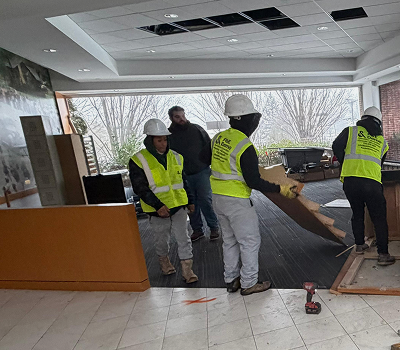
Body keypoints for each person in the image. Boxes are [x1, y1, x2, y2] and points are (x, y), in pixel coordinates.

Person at [200, 94, 300, 296]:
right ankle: (249, 283)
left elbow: (205, 160)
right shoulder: (244, 145)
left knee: (229, 240)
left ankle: (231, 279)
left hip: (218, 198)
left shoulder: (218, 138)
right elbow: (253, 180)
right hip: (237, 200)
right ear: (246, 119)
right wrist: (280, 189)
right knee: (249, 241)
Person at [128, 118, 198, 283]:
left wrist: (190, 200)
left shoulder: (177, 157)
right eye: (159, 140)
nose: (163, 143)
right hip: (157, 210)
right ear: (150, 140)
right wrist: (158, 206)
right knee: (162, 240)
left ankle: (188, 272)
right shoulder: (138, 160)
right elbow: (140, 187)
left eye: (165, 139)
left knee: (184, 238)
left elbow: (184, 181)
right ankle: (165, 264)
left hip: (178, 206)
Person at [332, 106, 395, 266]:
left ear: (363, 118)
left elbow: (336, 146)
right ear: (379, 122)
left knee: (357, 212)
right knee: (379, 218)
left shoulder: (350, 131)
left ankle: (359, 245)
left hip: (351, 181)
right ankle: (383, 254)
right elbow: (379, 163)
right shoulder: (382, 142)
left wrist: (344, 161)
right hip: (372, 182)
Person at [167, 105, 220, 241]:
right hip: (182, 175)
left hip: (201, 171)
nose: (182, 119)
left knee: (205, 200)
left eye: (183, 115)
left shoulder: (197, 129)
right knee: (190, 203)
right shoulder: (168, 136)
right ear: (172, 118)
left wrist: (213, 165)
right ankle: (197, 230)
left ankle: (214, 227)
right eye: (177, 117)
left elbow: (209, 146)